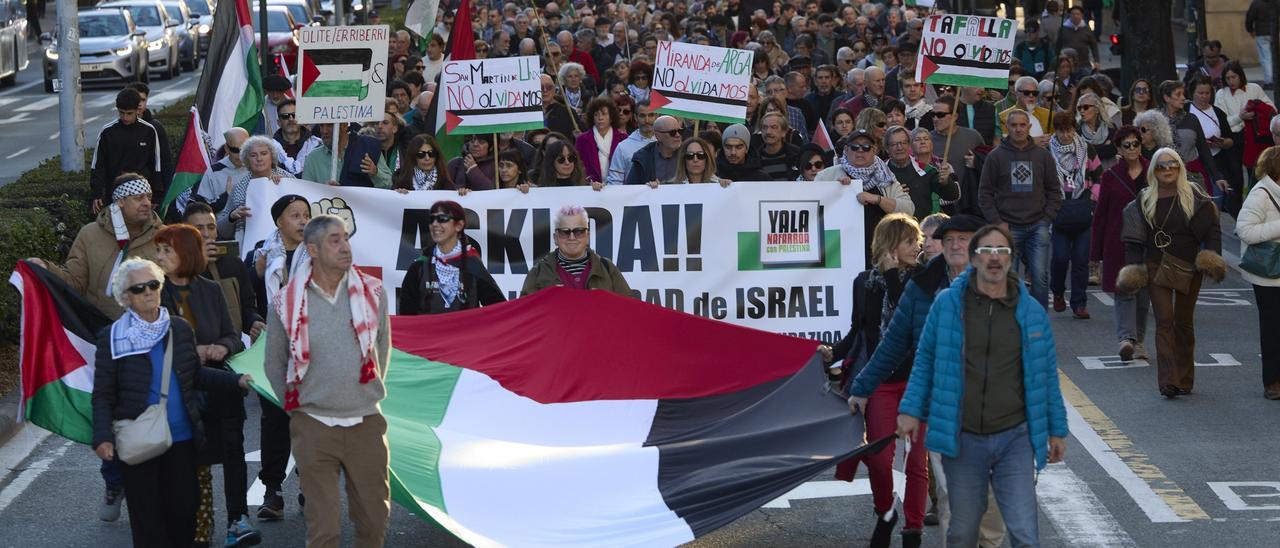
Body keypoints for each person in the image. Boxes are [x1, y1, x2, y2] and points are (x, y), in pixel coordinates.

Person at [897, 224, 1069, 547]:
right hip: (963, 438)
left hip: (1014, 437)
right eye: (986, 251)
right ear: (974, 259)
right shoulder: (947, 304)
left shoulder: (1030, 310)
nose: (994, 258)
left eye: (1001, 252)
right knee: (962, 530)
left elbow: (1045, 373)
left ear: (1011, 260)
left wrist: (1056, 430)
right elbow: (925, 361)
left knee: (1024, 532)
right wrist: (909, 410)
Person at [26, 173, 163, 520]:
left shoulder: (163, 235)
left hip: (153, 338)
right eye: (138, 198)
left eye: (148, 196)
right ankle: (115, 481)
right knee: (115, 415)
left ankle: (154, 486)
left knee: (153, 412)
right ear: (119, 204)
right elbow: (73, 282)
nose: (146, 203)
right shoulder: (90, 236)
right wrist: (46, 271)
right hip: (107, 340)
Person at [92, 258, 252, 548]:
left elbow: (195, 374)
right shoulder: (112, 337)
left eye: (153, 284)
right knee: (148, 522)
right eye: (139, 288)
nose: (148, 292)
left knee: (184, 513)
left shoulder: (178, 329)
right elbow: (103, 392)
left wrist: (235, 380)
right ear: (125, 296)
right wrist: (102, 436)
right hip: (139, 440)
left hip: (182, 439)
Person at [262, 215, 392, 547]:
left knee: (373, 521)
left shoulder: (373, 292)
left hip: (366, 422)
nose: (345, 246)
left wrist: (363, 394)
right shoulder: (285, 302)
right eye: (335, 240)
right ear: (313, 249)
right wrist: (298, 410)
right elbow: (274, 363)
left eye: (345, 238)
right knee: (324, 529)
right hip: (313, 425)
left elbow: (382, 348)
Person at [820, 213, 926, 548]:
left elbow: (903, 312)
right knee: (879, 459)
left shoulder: (923, 279)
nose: (918, 247)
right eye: (910, 241)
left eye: (918, 241)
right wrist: (832, 352)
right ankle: (885, 512)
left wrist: (894, 273)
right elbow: (859, 332)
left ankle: (913, 530)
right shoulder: (863, 282)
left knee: (915, 462)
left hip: (917, 380)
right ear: (890, 244)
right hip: (879, 381)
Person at [152, 225, 259, 547]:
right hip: (182, 388)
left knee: (233, 452)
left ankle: (237, 520)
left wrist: (223, 347)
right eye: (158, 251)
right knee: (195, 458)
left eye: (166, 250)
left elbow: (231, 331)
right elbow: (156, 339)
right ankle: (200, 526)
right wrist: (191, 352)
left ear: (186, 252)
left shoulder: (211, 289)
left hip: (221, 380)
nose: (159, 257)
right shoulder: (156, 293)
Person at [1117, 149, 1226, 398]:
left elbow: (1213, 229)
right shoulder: (1143, 198)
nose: (1167, 169)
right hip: (1157, 266)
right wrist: (1134, 269)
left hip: (1190, 267)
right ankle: (1168, 381)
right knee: (1165, 321)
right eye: (1161, 166)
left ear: (1180, 167)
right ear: (1153, 170)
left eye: (1172, 165)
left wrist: (1212, 256)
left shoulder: (1196, 195)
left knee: (1184, 323)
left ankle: (1185, 378)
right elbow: (1133, 242)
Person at [978, 109, 1061, 307]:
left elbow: (1054, 191)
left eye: (1023, 125)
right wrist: (998, 223)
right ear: (1007, 127)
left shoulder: (1043, 156)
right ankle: (1010, 320)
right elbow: (985, 194)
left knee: (1040, 277)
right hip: (1008, 228)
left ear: (1029, 127)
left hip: (1037, 225)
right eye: (1013, 125)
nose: (1018, 129)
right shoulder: (995, 157)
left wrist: (1046, 219)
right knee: (1008, 277)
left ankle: (1038, 320)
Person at [1093, 127, 1151, 361]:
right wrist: (1095, 254)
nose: (1132, 148)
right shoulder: (1110, 175)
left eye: (1135, 143)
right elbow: (1101, 215)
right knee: (1124, 291)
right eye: (1126, 145)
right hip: (1119, 241)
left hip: (1149, 241)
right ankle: (1126, 339)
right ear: (1118, 148)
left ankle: (1139, 341)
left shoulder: (1154, 171)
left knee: (1144, 295)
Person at [815, 129, 914, 265]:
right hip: (840, 254)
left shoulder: (885, 177)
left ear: (874, 150)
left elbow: (909, 209)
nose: (860, 151)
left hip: (880, 254)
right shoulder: (827, 176)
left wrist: (878, 199)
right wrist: (834, 190)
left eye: (866, 147)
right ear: (846, 149)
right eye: (855, 147)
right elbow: (813, 212)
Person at [399, 201, 505, 315]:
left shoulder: (473, 265)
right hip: (428, 333)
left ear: (458, 225)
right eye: (431, 219)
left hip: (465, 332)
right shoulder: (419, 266)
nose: (434, 224)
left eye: (442, 218)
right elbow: (406, 315)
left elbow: (499, 308)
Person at [1237, 147, 1280, 399]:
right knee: (1273, 327)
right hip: (1268, 272)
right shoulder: (1261, 194)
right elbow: (1245, 231)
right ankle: (1272, 381)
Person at [1048, 112, 1100, 319]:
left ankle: (1079, 303)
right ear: (1056, 131)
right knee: (1060, 258)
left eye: (1069, 130)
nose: (1066, 135)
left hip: (1082, 209)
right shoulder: (1046, 151)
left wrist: (1093, 201)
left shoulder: (1087, 149)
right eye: (1062, 131)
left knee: (1080, 260)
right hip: (1058, 210)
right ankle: (1058, 291)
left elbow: (1098, 176)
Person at [521, 205, 632, 296]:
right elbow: (524, 312)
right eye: (565, 231)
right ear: (555, 238)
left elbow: (629, 307)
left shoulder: (608, 269)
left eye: (579, 231)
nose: (572, 237)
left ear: (587, 236)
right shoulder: (538, 272)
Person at [90, 89, 162, 212]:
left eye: (129, 113)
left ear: (137, 110)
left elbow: (155, 165)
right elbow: (98, 165)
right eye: (121, 113)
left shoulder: (149, 130)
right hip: (114, 191)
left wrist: (157, 195)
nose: (125, 117)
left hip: (142, 191)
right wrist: (97, 194)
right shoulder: (107, 131)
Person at [219, 136, 289, 245]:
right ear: (246, 160)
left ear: (272, 157)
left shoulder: (288, 179)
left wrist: (285, 186)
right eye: (253, 155)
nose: (259, 158)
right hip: (251, 249)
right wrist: (232, 216)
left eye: (264, 153)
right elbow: (221, 229)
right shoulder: (238, 189)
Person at [884, 125, 958, 219]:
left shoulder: (926, 170)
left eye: (903, 142)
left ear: (909, 145)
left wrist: (946, 182)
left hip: (920, 230)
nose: (900, 147)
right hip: (889, 229)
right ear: (887, 148)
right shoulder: (879, 172)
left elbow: (952, 196)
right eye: (894, 144)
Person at [930, 95, 985, 187]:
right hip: (938, 196)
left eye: (940, 115)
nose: (935, 119)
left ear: (955, 116)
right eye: (933, 114)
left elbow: (986, 163)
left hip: (968, 195)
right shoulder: (926, 139)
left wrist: (976, 163)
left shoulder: (973, 137)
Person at [575, 97, 627, 185]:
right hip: (591, 188)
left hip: (617, 187)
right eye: (596, 114)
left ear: (611, 117)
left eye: (604, 114)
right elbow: (577, 165)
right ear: (592, 117)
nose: (600, 118)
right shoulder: (582, 139)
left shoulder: (623, 138)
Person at [624, 115, 683, 186]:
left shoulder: (688, 155)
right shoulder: (643, 158)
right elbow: (631, 188)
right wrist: (647, 188)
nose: (678, 135)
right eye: (672, 132)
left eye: (680, 131)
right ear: (658, 136)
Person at [757, 112, 801, 180]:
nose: (768, 132)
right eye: (764, 127)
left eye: (773, 127)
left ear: (784, 132)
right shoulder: (753, 157)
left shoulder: (797, 155)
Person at [1056, 6, 1099, 72]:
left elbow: (1094, 45)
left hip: (1085, 64)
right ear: (1070, 15)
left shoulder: (1086, 29)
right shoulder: (1063, 29)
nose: (1075, 16)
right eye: (1073, 14)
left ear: (1081, 16)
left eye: (1077, 14)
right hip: (1068, 65)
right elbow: (1057, 46)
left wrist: (1096, 60)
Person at [1246, 0, 1276, 89]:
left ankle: (1269, 80)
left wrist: (1250, 30)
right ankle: (1274, 78)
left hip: (1261, 33)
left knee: (1265, 57)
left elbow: (1249, 18)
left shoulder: (1256, 3)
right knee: (1273, 57)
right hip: (1273, 31)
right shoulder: (1275, 2)